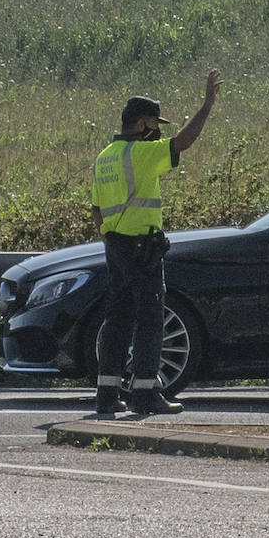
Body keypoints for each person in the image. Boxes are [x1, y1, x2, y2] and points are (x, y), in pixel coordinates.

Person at [90, 69, 222, 416]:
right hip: (141, 249)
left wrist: (110, 240)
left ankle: (107, 394)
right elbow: (183, 142)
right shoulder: (143, 154)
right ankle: (145, 392)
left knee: (118, 319)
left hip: (116, 248)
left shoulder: (104, 157)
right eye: (154, 122)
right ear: (141, 122)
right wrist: (207, 105)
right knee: (150, 318)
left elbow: (95, 209)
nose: (157, 130)